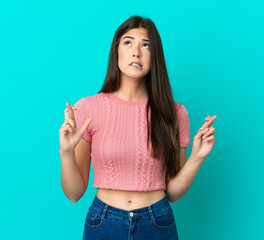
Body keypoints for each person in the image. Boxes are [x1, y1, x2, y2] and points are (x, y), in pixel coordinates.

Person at [59, 15, 217, 240]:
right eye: (128, 42)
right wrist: (66, 152)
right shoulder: (88, 109)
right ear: (116, 52)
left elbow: (172, 192)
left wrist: (197, 157)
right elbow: (74, 193)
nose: (136, 51)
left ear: (155, 56)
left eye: (145, 45)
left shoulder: (174, 113)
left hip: (157, 222)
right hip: (104, 223)